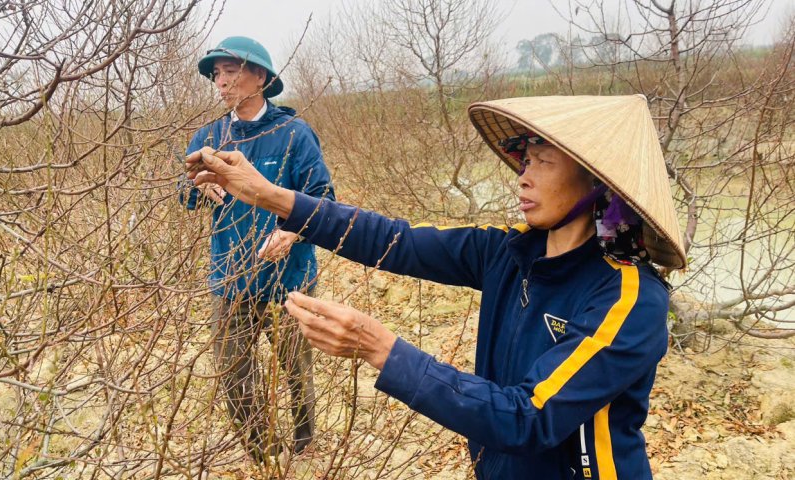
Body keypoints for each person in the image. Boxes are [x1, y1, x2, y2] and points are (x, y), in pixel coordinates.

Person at [185, 95, 686, 479]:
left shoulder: (629, 299)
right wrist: (270, 195)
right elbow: (393, 240)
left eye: (542, 162)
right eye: (524, 160)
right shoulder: (508, 252)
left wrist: (381, 349)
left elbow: (528, 417)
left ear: (597, 184)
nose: (522, 177)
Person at [179, 36, 335, 460]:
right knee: (234, 377)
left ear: (260, 77)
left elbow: (323, 197)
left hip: (288, 280)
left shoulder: (293, 133)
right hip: (229, 281)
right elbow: (185, 193)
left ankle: (304, 448)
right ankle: (263, 454)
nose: (221, 82)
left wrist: (292, 231)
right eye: (217, 74)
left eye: (231, 72)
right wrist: (196, 187)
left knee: (297, 370)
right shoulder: (210, 136)